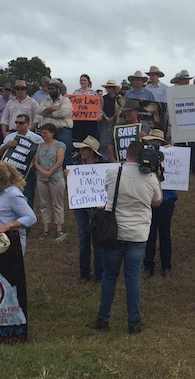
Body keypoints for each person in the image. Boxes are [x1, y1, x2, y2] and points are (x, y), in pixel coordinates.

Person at [87, 141, 163, 335]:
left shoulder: (114, 173)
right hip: (138, 233)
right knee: (133, 277)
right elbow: (157, 201)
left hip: (114, 231)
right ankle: (134, 322)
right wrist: (158, 176)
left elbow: (107, 193)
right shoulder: (151, 177)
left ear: (127, 154)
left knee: (109, 276)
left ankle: (103, 318)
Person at [142, 129, 177, 279]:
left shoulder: (170, 154)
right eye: (152, 142)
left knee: (164, 233)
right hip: (149, 198)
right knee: (150, 233)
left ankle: (166, 265)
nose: (154, 144)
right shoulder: (144, 156)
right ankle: (148, 265)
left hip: (167, 197)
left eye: (157, 142)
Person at [70, 135, 106, 283]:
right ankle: (84, 273)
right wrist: (68, 176)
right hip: (81, 206)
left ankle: (99, 273)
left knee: (98, 240)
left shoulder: (104, 165)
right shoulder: (76, 163)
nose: (81, 152)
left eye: (84, 149)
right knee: (84, 238)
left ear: (91, 152)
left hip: (97, 207)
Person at [0, 114, 44, 207]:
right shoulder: (10, 137)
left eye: (21, 123)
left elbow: (42, 155)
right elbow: (1, 153)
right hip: (11, 171)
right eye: (16, 123)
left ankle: (27, 217)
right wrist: (7, 145)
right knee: (9, 194)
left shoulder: (36, 139)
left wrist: (35, 166)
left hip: (28, 172)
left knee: (27, 195)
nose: (18, 125)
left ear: (28, 124)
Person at [34, 123, 67, 241]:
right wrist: (43, 172)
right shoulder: (39, 146)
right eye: (42, 132)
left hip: (56, 178)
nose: (43, 135)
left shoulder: (60, 145)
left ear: (52, 133)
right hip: (41, 179)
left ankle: (59, 228)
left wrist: (49, 173)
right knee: (44, 204)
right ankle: (46, 228)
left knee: (57, 203)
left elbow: (59, 162)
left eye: (46, 132)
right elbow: (36, 162)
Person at [36, 80, 73, 168]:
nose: (50, 90)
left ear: (58, 89)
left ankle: (67, 177)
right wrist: (54, 108)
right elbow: (38, 110)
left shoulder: (65, 100)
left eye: (52, 88)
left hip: (62, 130)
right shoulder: (45, 100)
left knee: (65, 154)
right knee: (47, 154)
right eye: (49, 88)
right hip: (47, 132)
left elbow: (63, 113)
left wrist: (47, 113)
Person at [72, 74, 101, 143]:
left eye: (85, 80)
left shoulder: (93, 93)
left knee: (91, 137)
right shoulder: (75, 92)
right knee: (79, 137)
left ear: (88, 82)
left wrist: (99, 114)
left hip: (90, 120)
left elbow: (98, 105)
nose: (83, 82)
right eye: (81, 80)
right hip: (78, 120)